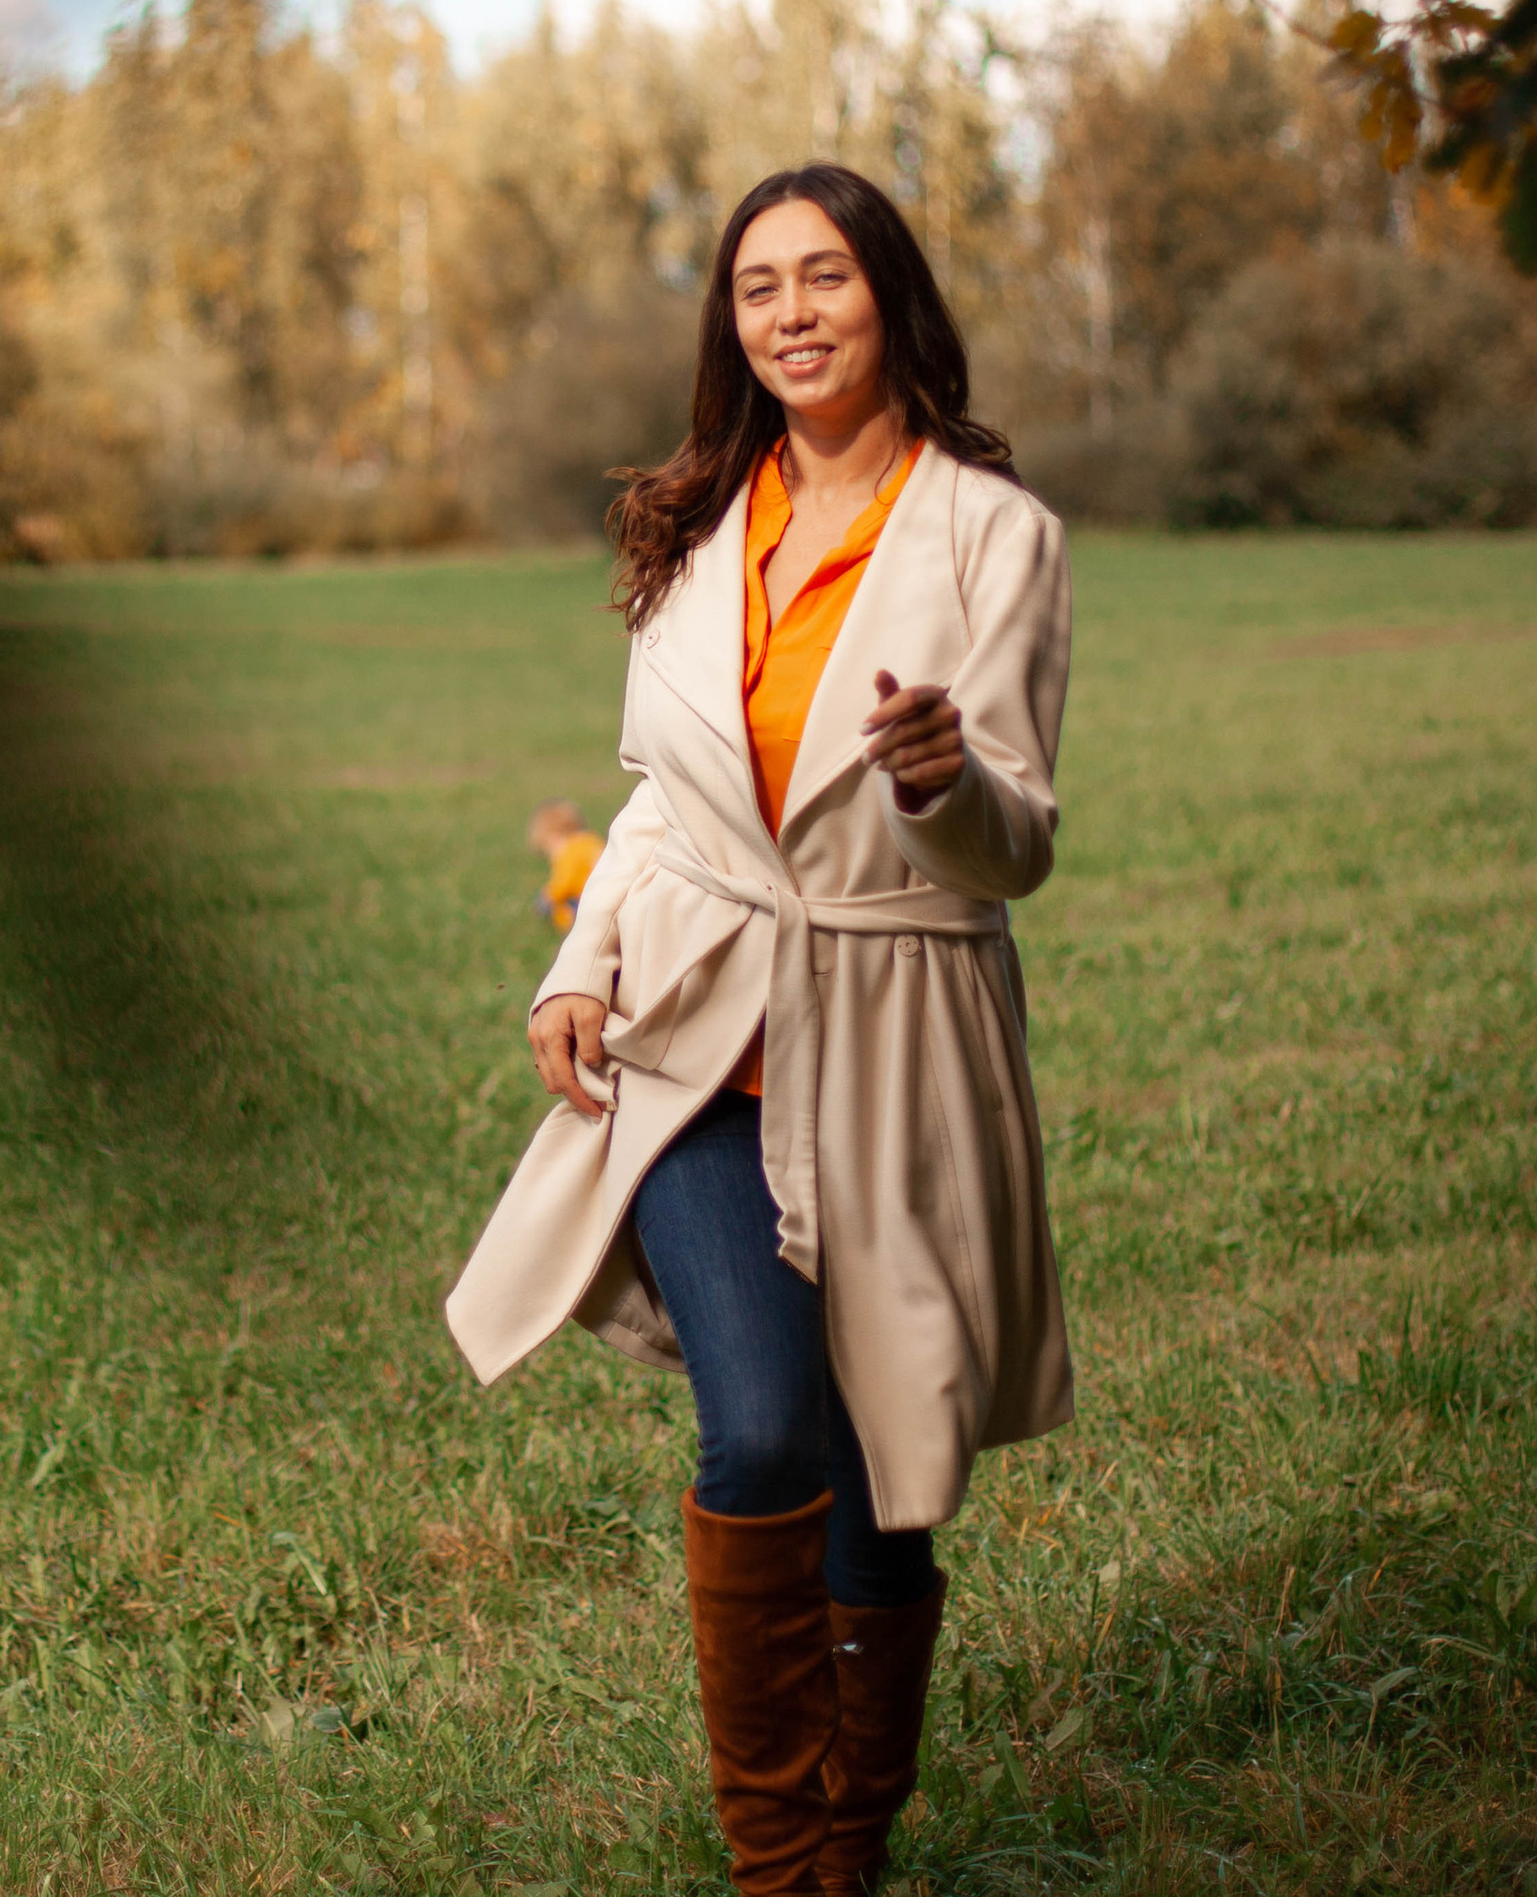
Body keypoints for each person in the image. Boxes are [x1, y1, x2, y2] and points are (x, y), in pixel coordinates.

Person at [446, 165, 1074, 1897]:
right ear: (731, 325)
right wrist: (576, 965)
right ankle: (780, 1867)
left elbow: (1021, 834)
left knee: (890, 1466)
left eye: (827, 278)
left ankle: (854, 1840)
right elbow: (665, 803)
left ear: (893, 298)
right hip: (698, 1041)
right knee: (764, 1433)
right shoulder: (697, 527)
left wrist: (948, 786)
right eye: (756, 288)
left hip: (898, 1036)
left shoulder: (992, 535)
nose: (792, 312)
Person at [527, 799, 606, 934]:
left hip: (588, 898)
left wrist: (548, 896)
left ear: (555, 837)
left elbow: (564, 882)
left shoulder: (568, 851)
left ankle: (573, 927)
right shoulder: (590, 839)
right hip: (610, 891)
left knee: (559, 910)